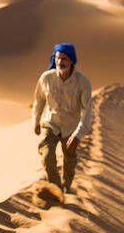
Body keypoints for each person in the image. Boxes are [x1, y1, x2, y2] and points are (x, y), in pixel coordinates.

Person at [32, 43, 92, 194]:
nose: (60, 62)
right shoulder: (46, 78)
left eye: (64, 59)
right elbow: (39, 101)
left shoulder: (82, 82)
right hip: (50, 124)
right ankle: (56, 190)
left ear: (72, 60)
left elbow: (87, 110)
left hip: (71, 128)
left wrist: (78, 134)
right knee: (47, 157)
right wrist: (36, 121)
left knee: (69, 160)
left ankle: (66, 186)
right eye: (58, 58)